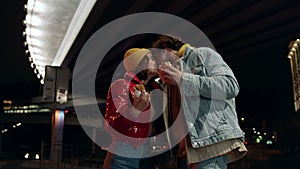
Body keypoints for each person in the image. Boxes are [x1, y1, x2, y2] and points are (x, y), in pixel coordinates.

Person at [152, 35, 247, 169]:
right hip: (192, 149)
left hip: (209, 143)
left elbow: (230, 86)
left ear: (165, 49)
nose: (157, 65)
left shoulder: (202, 54)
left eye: (157, 59)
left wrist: (182, 79)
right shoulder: (172, 76)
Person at [103, 48, 158, 169]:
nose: (155, 61)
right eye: (151, 59)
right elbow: (113, 124)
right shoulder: (121, 85)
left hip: (145, 151)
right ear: (140, 63)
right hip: (125, 149)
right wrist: (135, 110)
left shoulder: (149, 90)